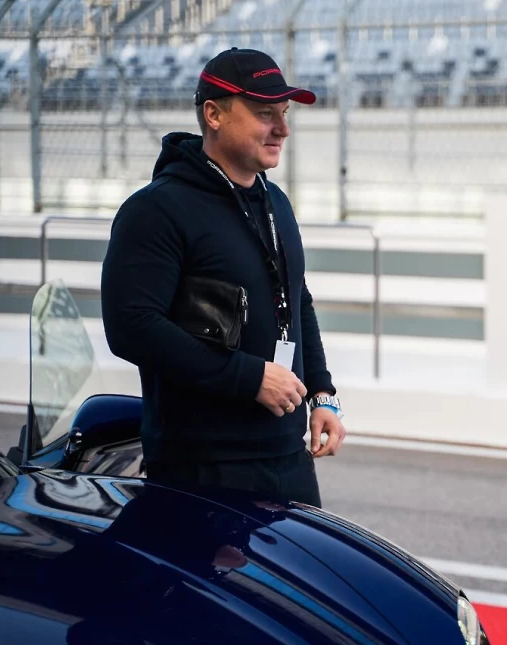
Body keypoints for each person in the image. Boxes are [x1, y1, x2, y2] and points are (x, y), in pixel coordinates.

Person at [100, 47, 345, 507]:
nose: (282, 129)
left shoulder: (275, 202)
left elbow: (296, 298)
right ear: (213, 114)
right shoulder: (155, 210)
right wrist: (249, 378)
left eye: (284, 113)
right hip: (203, 467)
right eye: (264, 114)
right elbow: (132, 327)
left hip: (288, 457)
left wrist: (322, 392)